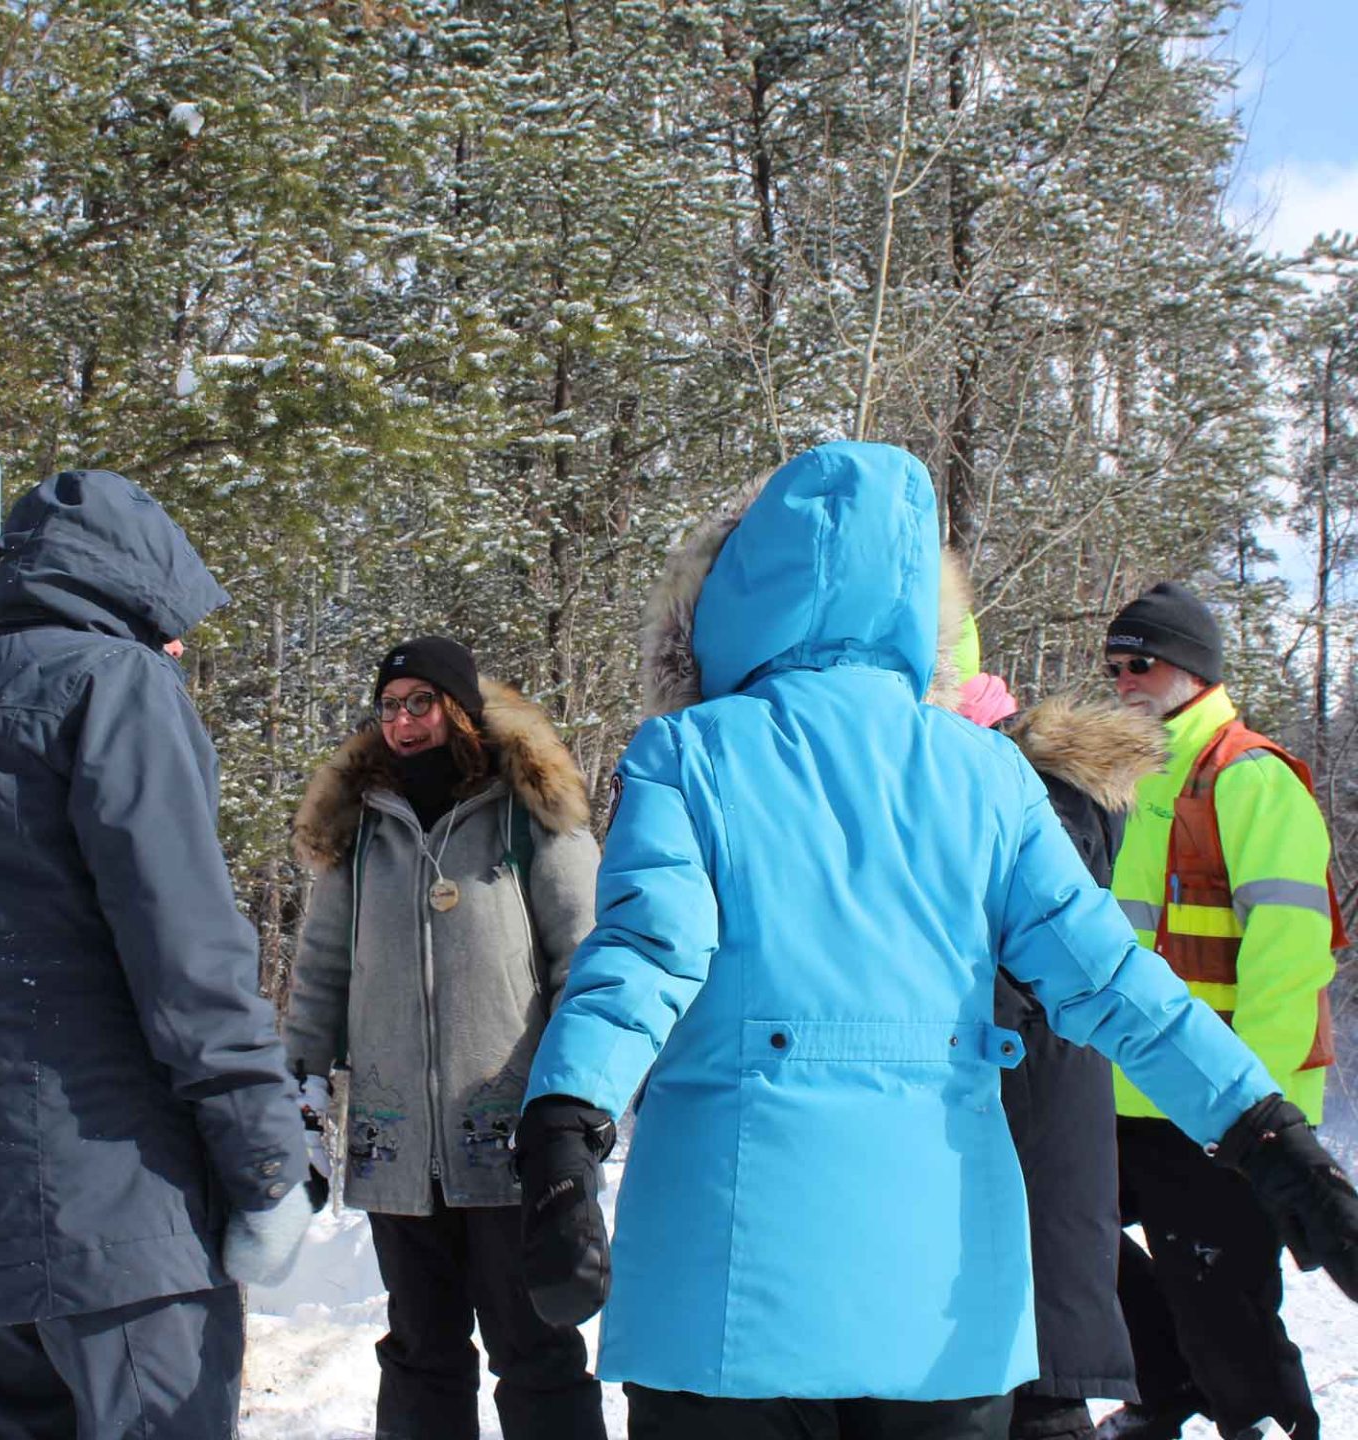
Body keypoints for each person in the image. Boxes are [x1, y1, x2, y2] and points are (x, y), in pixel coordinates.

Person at [508, 441, 1358, 1440]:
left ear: (732, 595)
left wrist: (562, 1128)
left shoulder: (688, 753)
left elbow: (643, 958)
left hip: (724, 1283)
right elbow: (1113, 980)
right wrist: (1268, 1134)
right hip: (942, 1292)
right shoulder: (988, 775)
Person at [0, 468, 312, 1440]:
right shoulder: (117, 684)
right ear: (128, 595)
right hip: (112, 1212)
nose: (178, 644)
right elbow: (188, 952)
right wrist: (267, 1161)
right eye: (169, 619)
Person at [284, 636, 606, 1440]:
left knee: (536, 1353)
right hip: (394, 1143)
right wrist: (301, 1091)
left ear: (458, 707)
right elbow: (321, 974)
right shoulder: (361, 828)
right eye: (390, 707)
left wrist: (576, 1106)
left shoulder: (526, 813)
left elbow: (585, 961)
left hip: (511, 1141)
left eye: (421, 702)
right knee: (420, 1357)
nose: (403, 722)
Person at [1095, 583, 1344, 1440]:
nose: (1123, 680)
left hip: (1220, 1099)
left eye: (1141, 662)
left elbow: (1290, 961)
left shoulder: (1248, 777)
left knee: (1223, 1303)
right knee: (1061, 1237)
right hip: (1129, 1088)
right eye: (1113, 666)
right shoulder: (1130, 779)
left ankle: (1270, 1425)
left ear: (1193, 669)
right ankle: (1164, 1390)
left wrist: (1249, 1114)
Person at [938, 606, 1167, 1440]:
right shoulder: (987, 784)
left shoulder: (1034, 796)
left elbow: (1006, 979)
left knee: (1040, 1409)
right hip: (1011, 1184)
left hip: (1030, 1187)